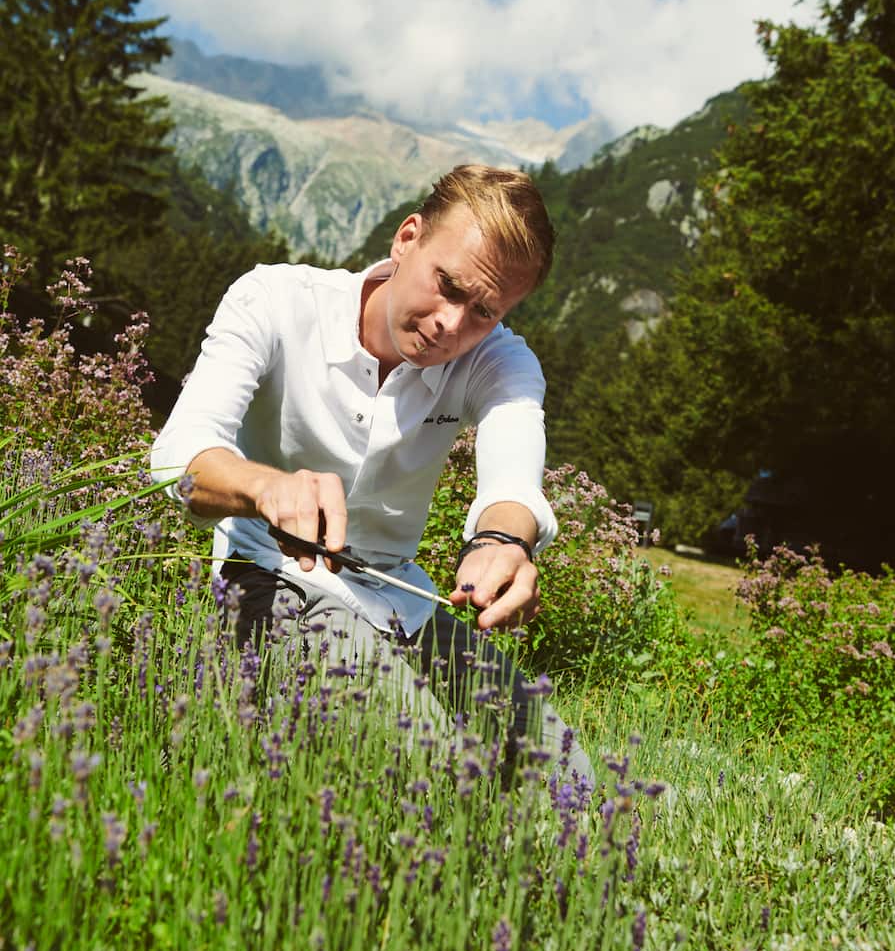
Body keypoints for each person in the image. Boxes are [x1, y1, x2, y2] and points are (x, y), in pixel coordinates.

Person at [150, 164, 593, 786]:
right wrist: (266, 487)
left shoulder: (501, 362)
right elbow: (180, 457)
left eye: (485, 311)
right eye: (448, 285)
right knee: (434, 770)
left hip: (400, 598)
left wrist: (504, 542)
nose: (450, 324)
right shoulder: (276, 299)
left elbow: (512, 473)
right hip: (269, 575)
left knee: (568, 776)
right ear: (407, 238)